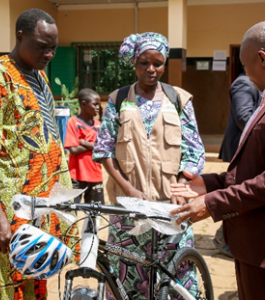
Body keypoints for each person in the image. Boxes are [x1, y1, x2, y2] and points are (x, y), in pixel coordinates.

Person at [170, 21, 265, 300]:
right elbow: (253, 168)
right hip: (257, 241)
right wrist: (208, 183)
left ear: (263, 58)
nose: (245, 74)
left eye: (245, 65)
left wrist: (211, 204)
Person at [0, 8, 79, 300]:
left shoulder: (38, 77)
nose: (50, 53)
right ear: (20, 36)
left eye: (53, 47)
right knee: (12, 280)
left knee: (38, 272)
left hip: (41, 201)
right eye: (43, 46)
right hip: (10, 204)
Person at [92, 32, 205, 299]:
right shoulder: (119, 100)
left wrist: (181, 184)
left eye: (158, 62)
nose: (151, 69)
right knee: (128, 276)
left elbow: (194, 150)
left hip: (172, 207)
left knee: (176, 274)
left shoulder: (179, 100)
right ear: (134, 63)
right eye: (144, 62)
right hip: (128, 210)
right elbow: (104, 150)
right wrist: (128, 189)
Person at [216, 70, 261, 257]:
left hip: (253, 151)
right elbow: (244, 118)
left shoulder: (258, 85)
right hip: (242, 150)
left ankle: (224, 235)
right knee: (239, 194)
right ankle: (222, 237)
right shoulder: (244, 84)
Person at [64, 88, 104, 204]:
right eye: (94, 104)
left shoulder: (99, 126)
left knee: (94, 216)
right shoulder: (73, 122)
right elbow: (74, 150)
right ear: (83, 104)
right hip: (76, 176)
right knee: (71, 212)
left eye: (99, 104)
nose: (98, 107)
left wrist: (83, 142)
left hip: (95, 176)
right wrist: (94, 145)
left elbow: (101, 149)